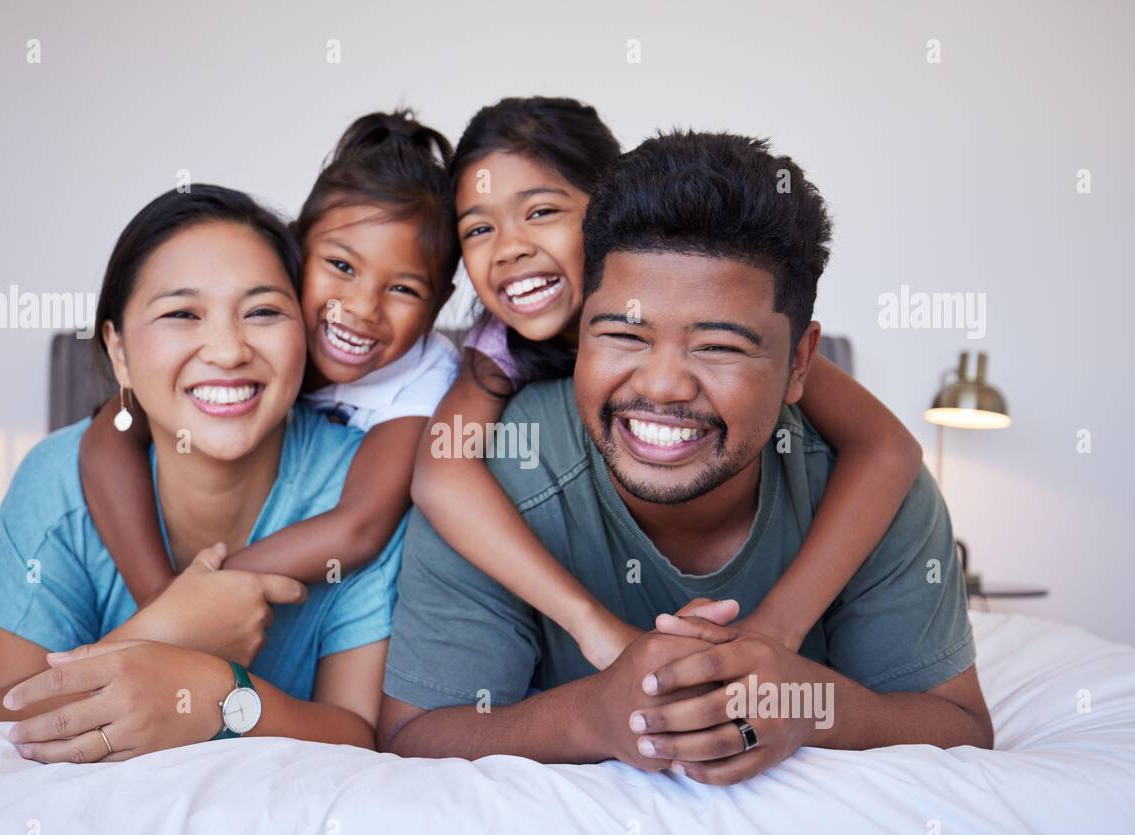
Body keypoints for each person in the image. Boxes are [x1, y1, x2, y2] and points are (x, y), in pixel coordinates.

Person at [381, 131, 993, 784]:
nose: (662, 385)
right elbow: (414, 734)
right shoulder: (499, 471)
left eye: (719, 347)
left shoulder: (862, 483)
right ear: (579, 329)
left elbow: (960, 727)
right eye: (621, 334)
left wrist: (814, 704)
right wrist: (594, 714)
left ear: (800, 364)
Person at [413, 96, 924, 671]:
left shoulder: (750, 338)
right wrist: (591, 624)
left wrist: (779, 626)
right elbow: (440, 474)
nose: (509, 248)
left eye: (540, 213)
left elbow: (887, 447)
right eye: (478, 228)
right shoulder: (494, 350)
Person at [0, 185, 405, 762]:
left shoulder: (363, 484)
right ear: (118, 351)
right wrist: (170, 630)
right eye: (181, 314)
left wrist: (219, 697)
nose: (226, 350)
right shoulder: (57, 478)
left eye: (264, 311)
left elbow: (359, 736)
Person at [77, 109, 459, 604]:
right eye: (341, 265)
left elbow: (358, 530)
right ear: (294, 251)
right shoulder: (250, 344)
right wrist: (158, 597)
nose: (362, 308)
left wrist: (196, 596)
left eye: (404, 288)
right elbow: (110, 436)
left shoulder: (424, 379)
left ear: (438, 307)